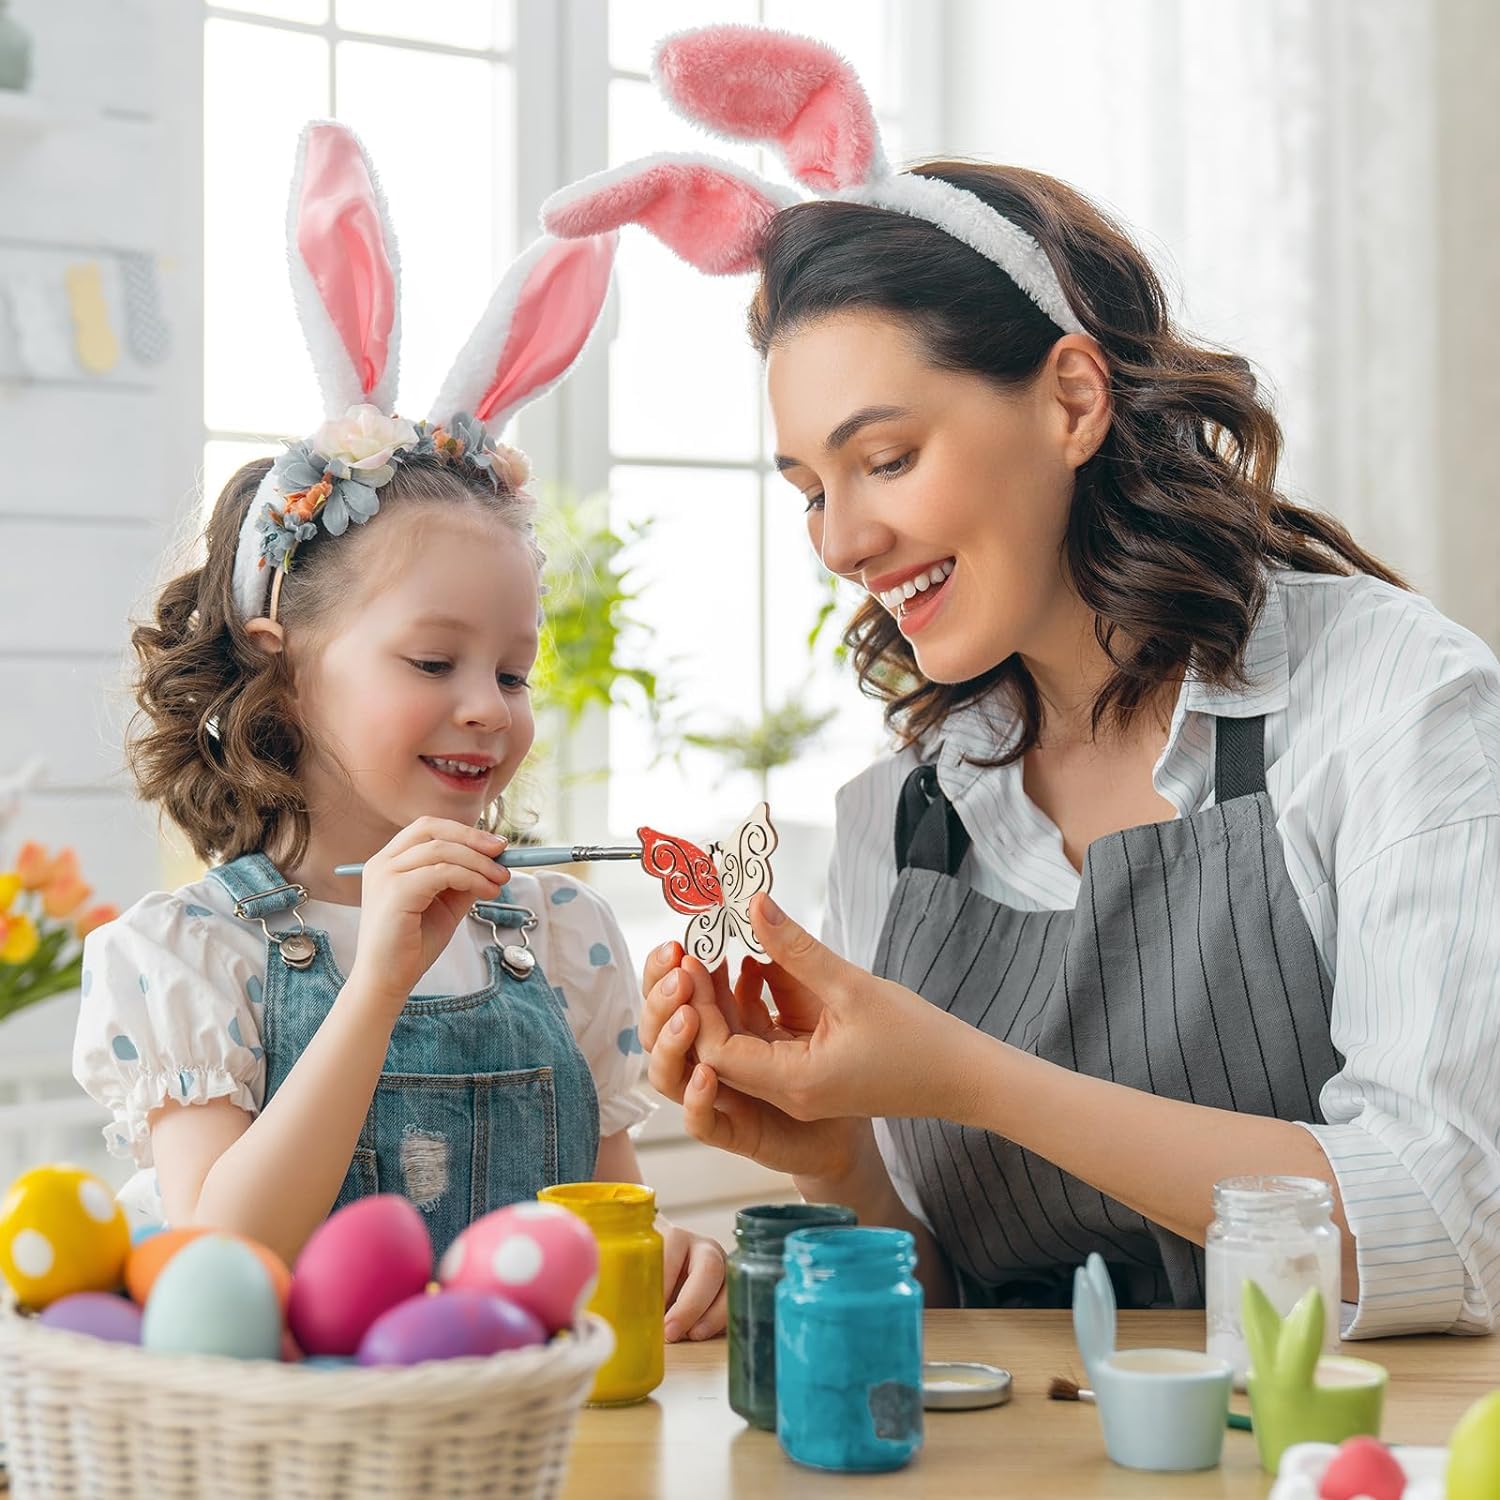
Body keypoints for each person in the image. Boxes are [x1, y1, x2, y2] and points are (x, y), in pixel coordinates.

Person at [545, 25, 1500, 1336]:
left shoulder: (1391, 699)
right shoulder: (903, 820)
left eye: (883, 458)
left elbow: (1448, 1221)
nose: (840, 540)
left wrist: (966, 1077)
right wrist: (839, 1158)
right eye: (811, 491)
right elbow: (958, 1297)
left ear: (1069, 401)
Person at [72, 121, 726, 1343]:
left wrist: (664, 1262)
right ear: (284, 669)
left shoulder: (562, 938)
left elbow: (598, 1247)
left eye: (516, 671)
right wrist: (374, 982)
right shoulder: (187, 958)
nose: (488, 704)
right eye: (434, 661)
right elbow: (216, 1271)